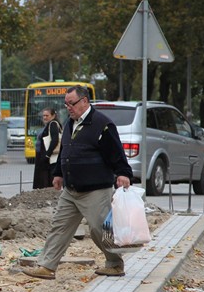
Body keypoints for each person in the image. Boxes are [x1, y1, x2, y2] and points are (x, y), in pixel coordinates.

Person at [23, 85, 133, 280]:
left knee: (99, 229)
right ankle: (47, 266)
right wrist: (58, 173)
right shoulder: (69, 123)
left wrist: (123, 173)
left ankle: (115, 263)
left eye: (71, 103)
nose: (68, 108)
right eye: (66, 104)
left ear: (84, 101)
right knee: (60, 226)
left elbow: (116, 152)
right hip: (71, 189)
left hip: (96, 189)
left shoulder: (103, 124)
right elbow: (66, 151)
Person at [32, 107, 62, 189]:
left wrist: (47, 155)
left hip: (47, 158)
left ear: (53, 116)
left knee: (45, 180)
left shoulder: (52, 124)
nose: (44, 117)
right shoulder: (48, 125)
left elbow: (54, 140)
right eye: (43, 116)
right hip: (43, 156)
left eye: (47, 115)